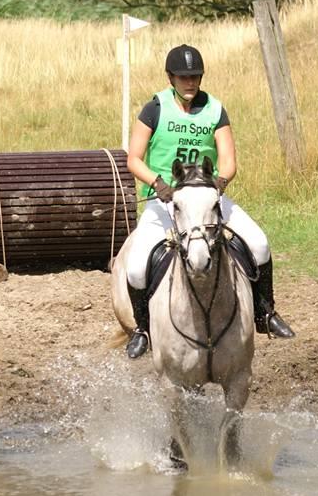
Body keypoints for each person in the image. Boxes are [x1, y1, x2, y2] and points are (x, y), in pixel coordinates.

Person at [124, 43, 295, 359]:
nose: (190, 83)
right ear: (170, 77)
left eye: (195, 77)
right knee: (135, 268)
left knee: (259, 244)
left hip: (206, 198)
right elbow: (133, 158)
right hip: (165, 201)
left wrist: (218, 184)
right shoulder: (155, 109)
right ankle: (143, 330)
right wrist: (157, 183)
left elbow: (229, 161)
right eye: (183, 77)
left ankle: (264, 313)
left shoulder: (215, 110)